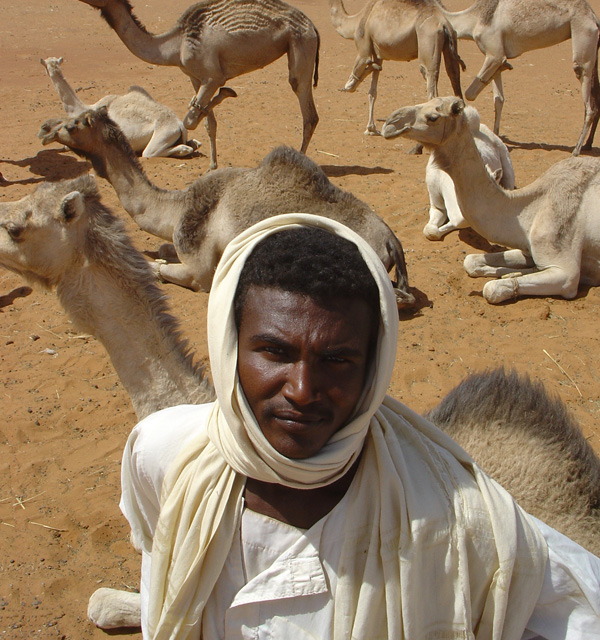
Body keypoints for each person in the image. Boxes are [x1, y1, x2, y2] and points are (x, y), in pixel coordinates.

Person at [120, 214, 600, 639]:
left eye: (336, 360)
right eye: (275, 352)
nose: (303, 389)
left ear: (374, 365)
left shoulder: (456, 516)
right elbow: (155, 550)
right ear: (231, 346)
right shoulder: (165, 452)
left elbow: (578, 600)